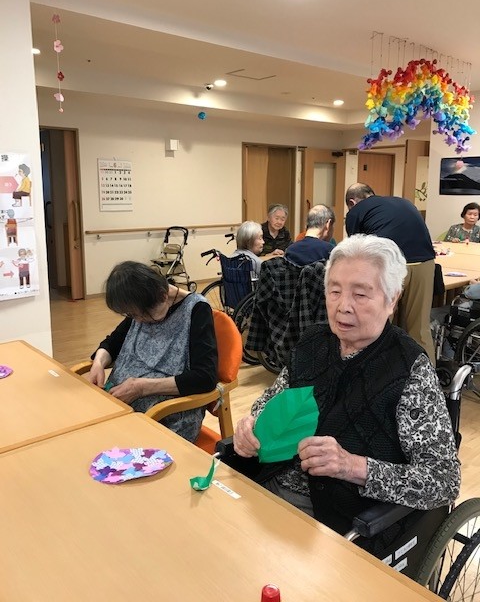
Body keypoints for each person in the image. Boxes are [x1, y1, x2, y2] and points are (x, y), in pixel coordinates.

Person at [234, 234, 460, 546]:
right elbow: (269, 402)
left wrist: (352, 466)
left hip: (334, 522)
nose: (343, 307)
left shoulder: (409, 369)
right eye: (334, 291)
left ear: (392, 299)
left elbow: (443, 481)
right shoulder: (313, 342)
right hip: (266, 486)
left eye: (360, 294)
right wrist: (249, 426)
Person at [88, 261, 218, 443]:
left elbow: (205, 378)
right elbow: (112, 342)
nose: (137, 321)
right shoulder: (141, 308)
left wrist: (141, 388)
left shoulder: (196, 310)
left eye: (139, 315)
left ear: (163, 296)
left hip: (165, 417)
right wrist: (98, 363)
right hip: (119, 407)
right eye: (131, 315)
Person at [345, 183, 436, 363]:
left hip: (391, 267)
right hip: (425, 263)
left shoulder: (356, 212)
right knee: (419, 328)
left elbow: (356, 253)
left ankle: (378, 374)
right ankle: (427, 376)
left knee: (380, 326)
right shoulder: (403, 202)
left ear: (351, 202)